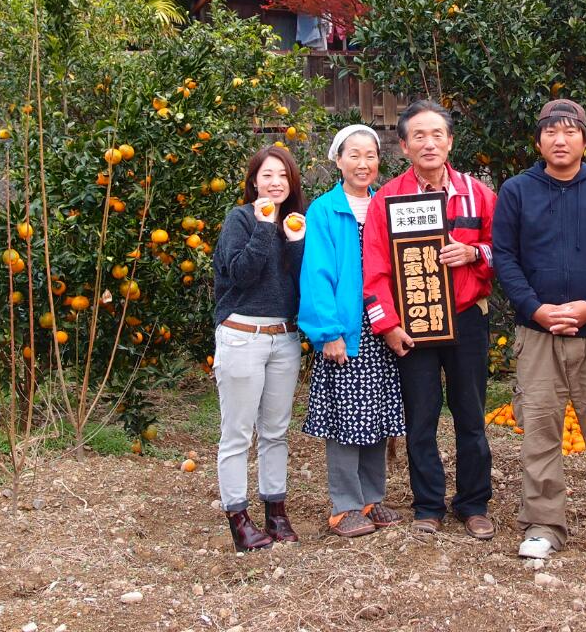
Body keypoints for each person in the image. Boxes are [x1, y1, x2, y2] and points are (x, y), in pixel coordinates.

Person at [492, 98, 586, 559]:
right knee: (540, 432)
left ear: (584, 139)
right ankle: (542, 525)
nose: (561, 140)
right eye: (551, 132)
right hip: (536, 335)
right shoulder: (517, 190)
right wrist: (535, 309)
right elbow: (505, 257)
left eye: (570, 131)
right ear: (538, 141)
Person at [362, 100, 498, 539]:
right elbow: (376, 270)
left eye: (437, 134)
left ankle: (474, 503)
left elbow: (507, 254)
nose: (428, 143)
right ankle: (428, 505)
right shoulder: (388, 198)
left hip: (466, 319)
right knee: (420, 418)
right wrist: (387, 325)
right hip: (413, 325)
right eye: (418, 135)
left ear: (450, 141)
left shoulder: (478, 195)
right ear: (403, 146)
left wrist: (475, 253)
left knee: (471, 415)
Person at [299, 124, 406, 538]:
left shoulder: (385, 204)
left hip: (382, 325)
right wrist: (328, 333)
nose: (363, 163)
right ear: (338, 160)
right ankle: (344, 505)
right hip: (346, 327)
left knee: (375, 415)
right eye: (354, 155)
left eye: (371, 155)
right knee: (346, 418)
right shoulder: (325, 210)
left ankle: (371, 498)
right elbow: (317, 274)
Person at [212, 145, 307, 552]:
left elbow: (301, 283)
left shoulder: (294, 222)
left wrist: (294, 242)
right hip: (242, 334)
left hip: (284, 338)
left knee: (275, 432)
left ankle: (276, 512)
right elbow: (239, 273)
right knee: (236, 433)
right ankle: (238, 517)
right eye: (268, 175)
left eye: (283, 176)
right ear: (254, 181)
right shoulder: (239, 219)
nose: (275, 183)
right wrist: (265, 228)